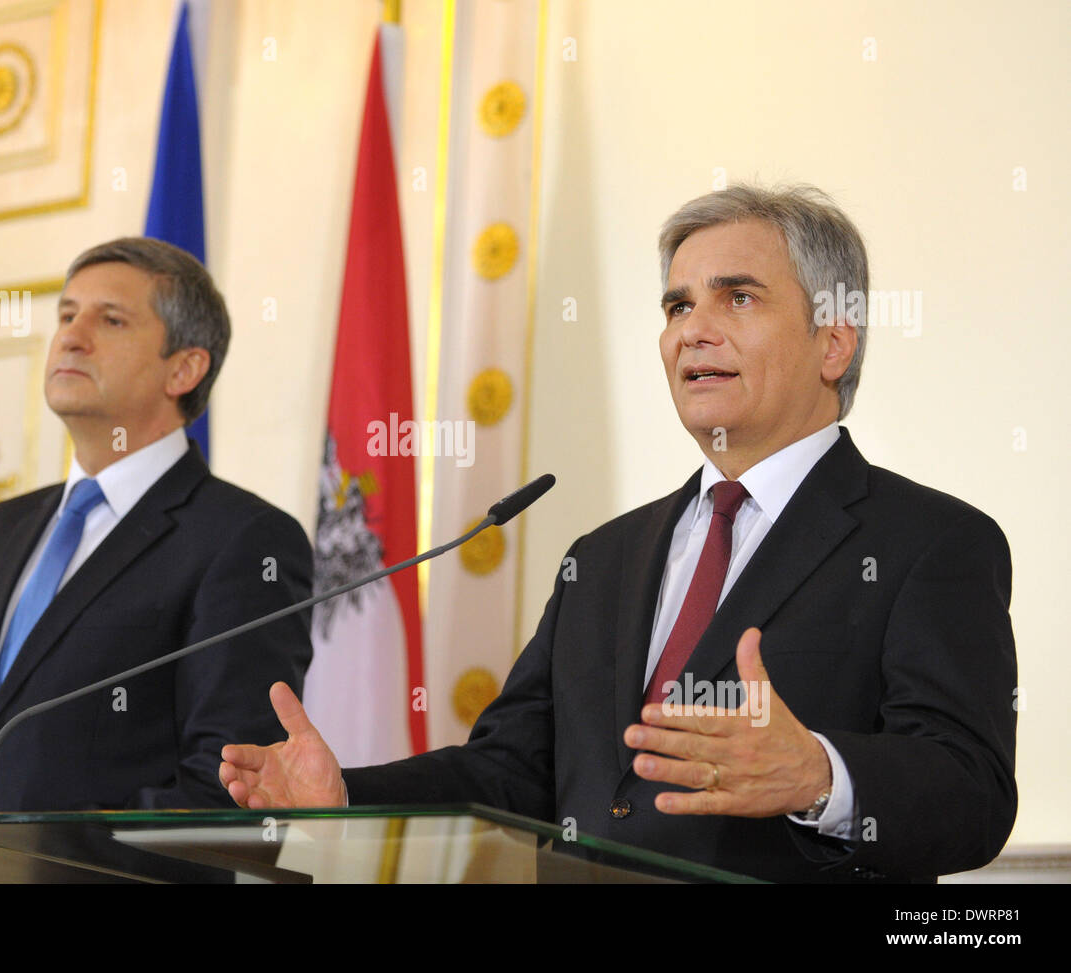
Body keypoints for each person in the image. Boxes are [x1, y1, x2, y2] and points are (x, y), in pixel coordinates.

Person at [218, 185, 1018, 883]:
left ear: (834, 342)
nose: (692, 330)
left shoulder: (931, 542)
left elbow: (973, 793)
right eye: (677, 305)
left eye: (737, 297)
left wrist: (820, 774)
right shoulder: (601, 559)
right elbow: (513, 770)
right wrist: (352, 796)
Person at [0, 237, 313, 812]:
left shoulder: (245, 541)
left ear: (183, 368)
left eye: (112, 319)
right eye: (67, 314)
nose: (71, 337)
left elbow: (224, 783)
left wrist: (38, 865)